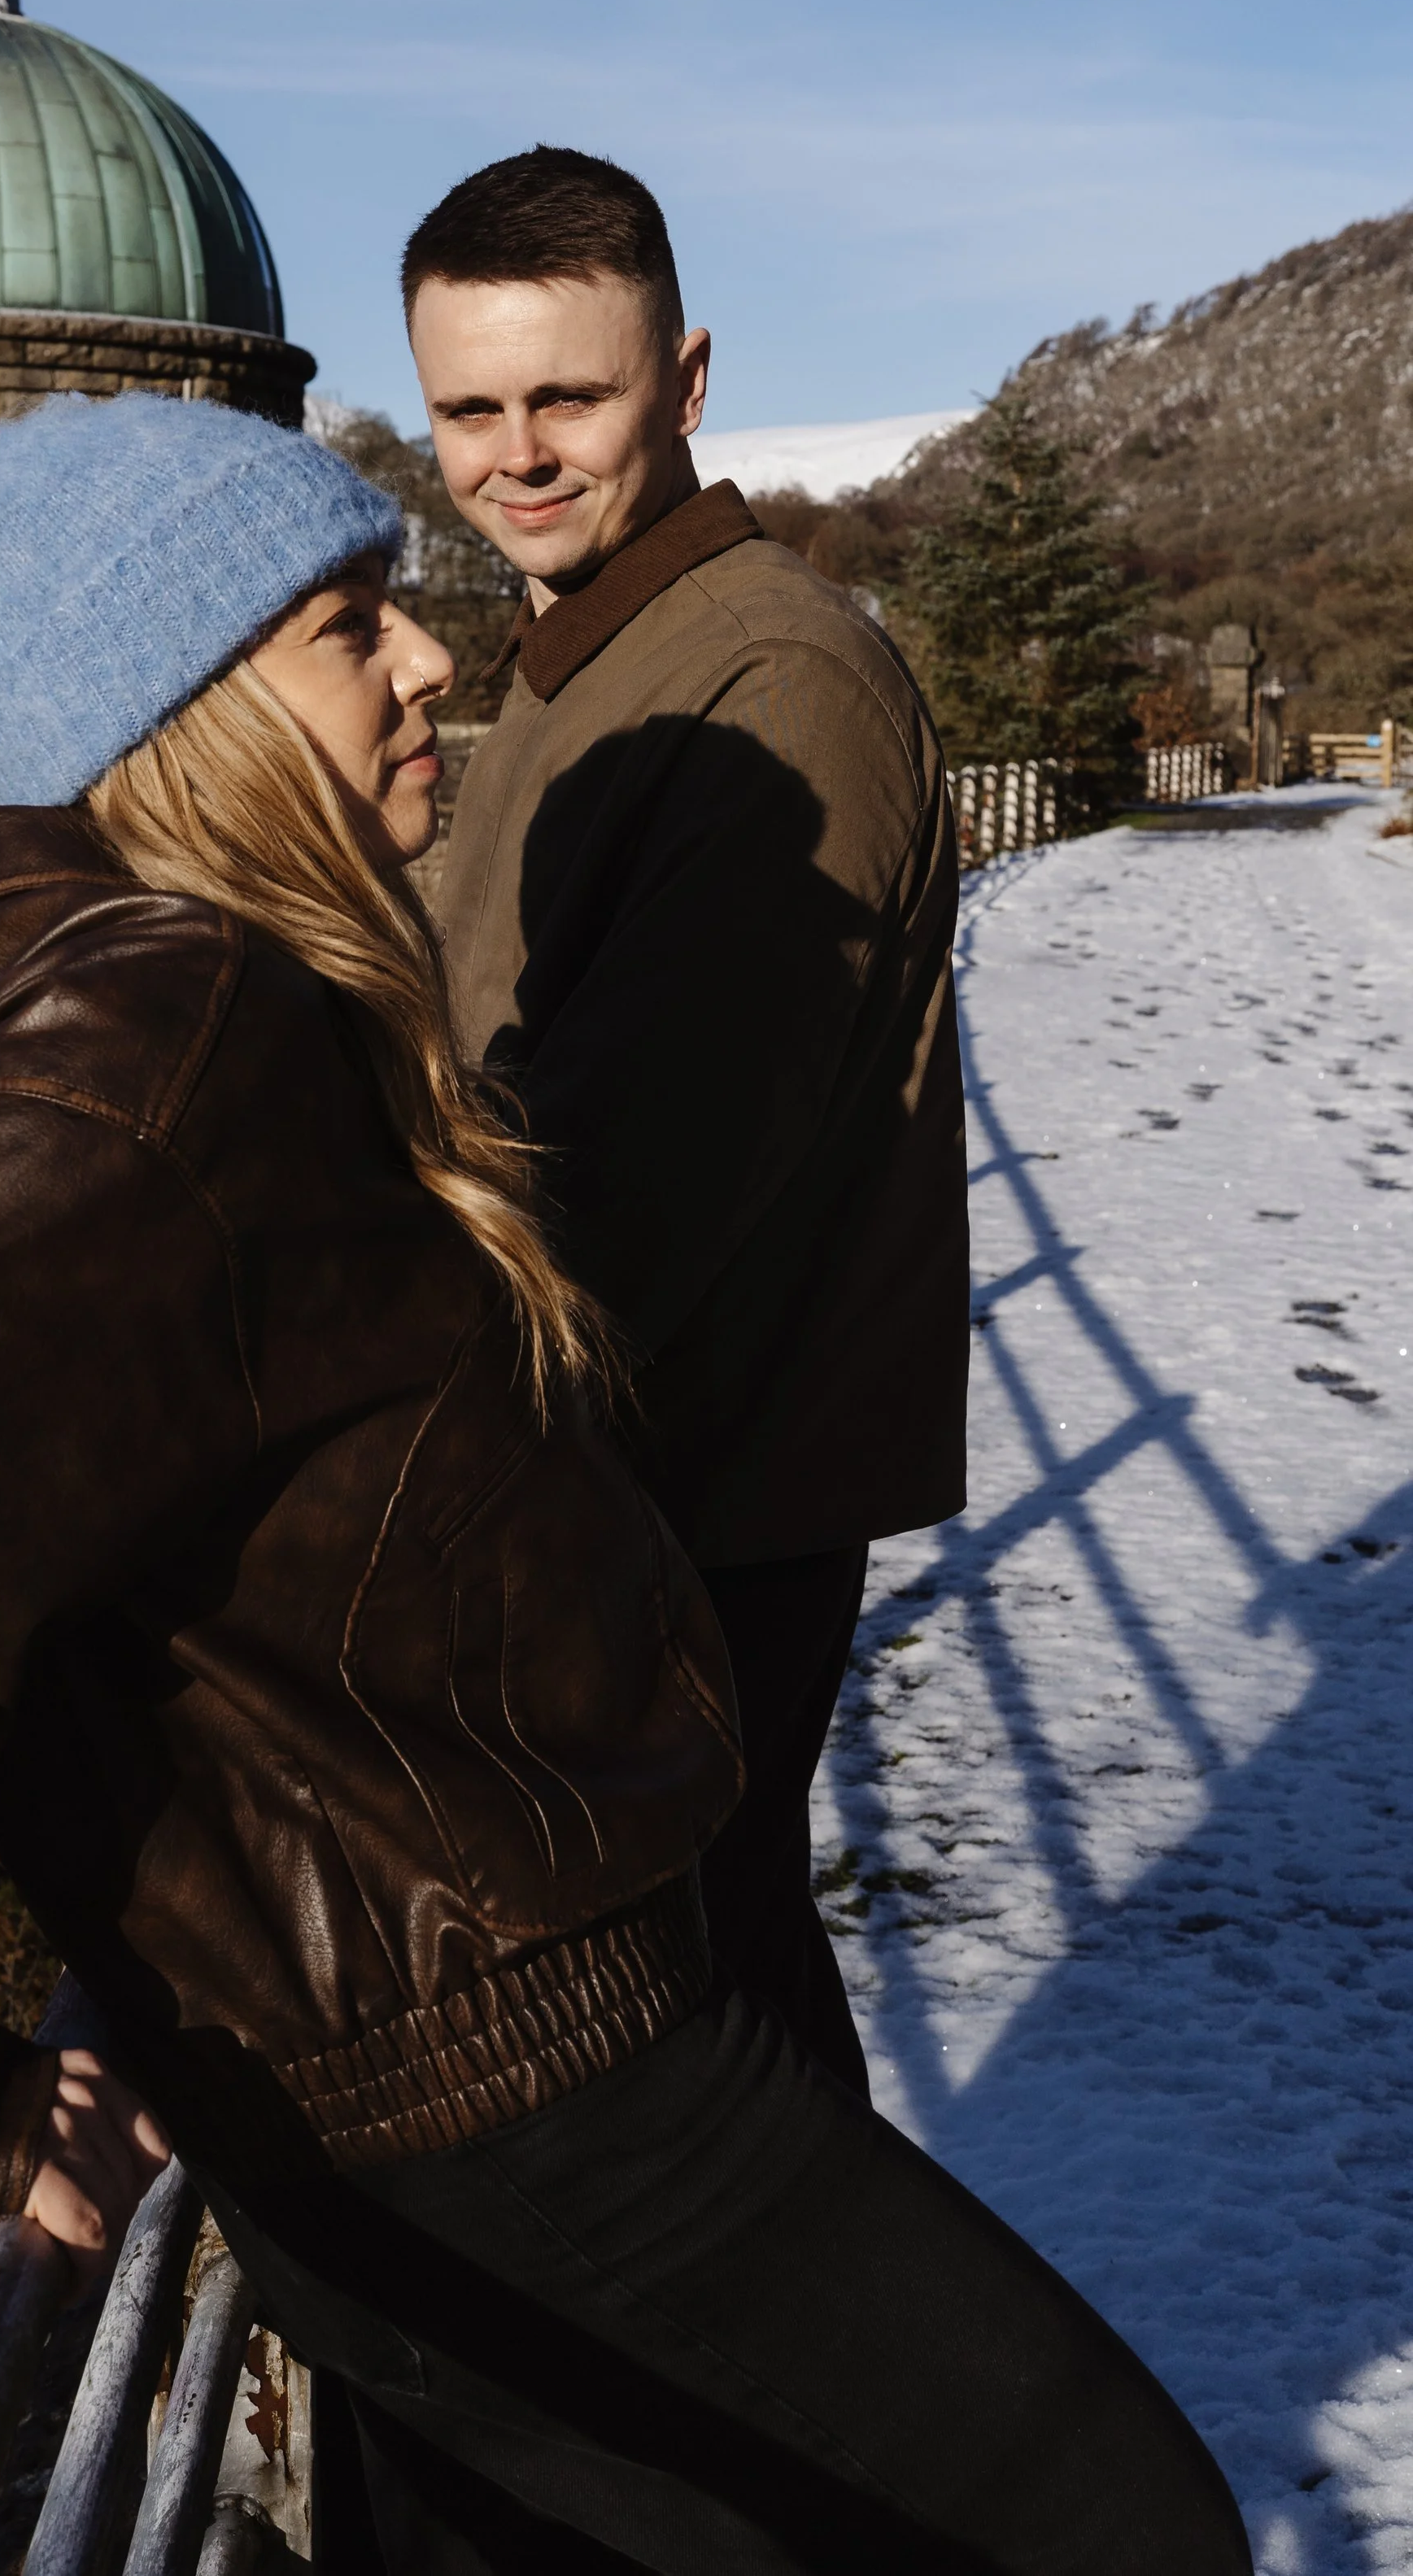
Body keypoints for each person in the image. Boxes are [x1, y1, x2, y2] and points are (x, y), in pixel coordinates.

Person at [0, 390, 1247, 2574]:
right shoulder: (161, 1027)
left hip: (407, 2056)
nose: (426, 659)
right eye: (342, 625)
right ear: (184, 711)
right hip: (503, 2076)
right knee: (1117, 2522)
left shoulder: (95, 980)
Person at [415, 147, 966, 2099]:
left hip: (686, 1495)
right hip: (630, 1487)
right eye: (468, 410)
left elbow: (632, 1191)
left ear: (686, 379)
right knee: (699, 2027)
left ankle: (860, 2314)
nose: (516, 456)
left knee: (697, 2053)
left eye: (567, 397)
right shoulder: (592, 649)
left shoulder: (766, 680)